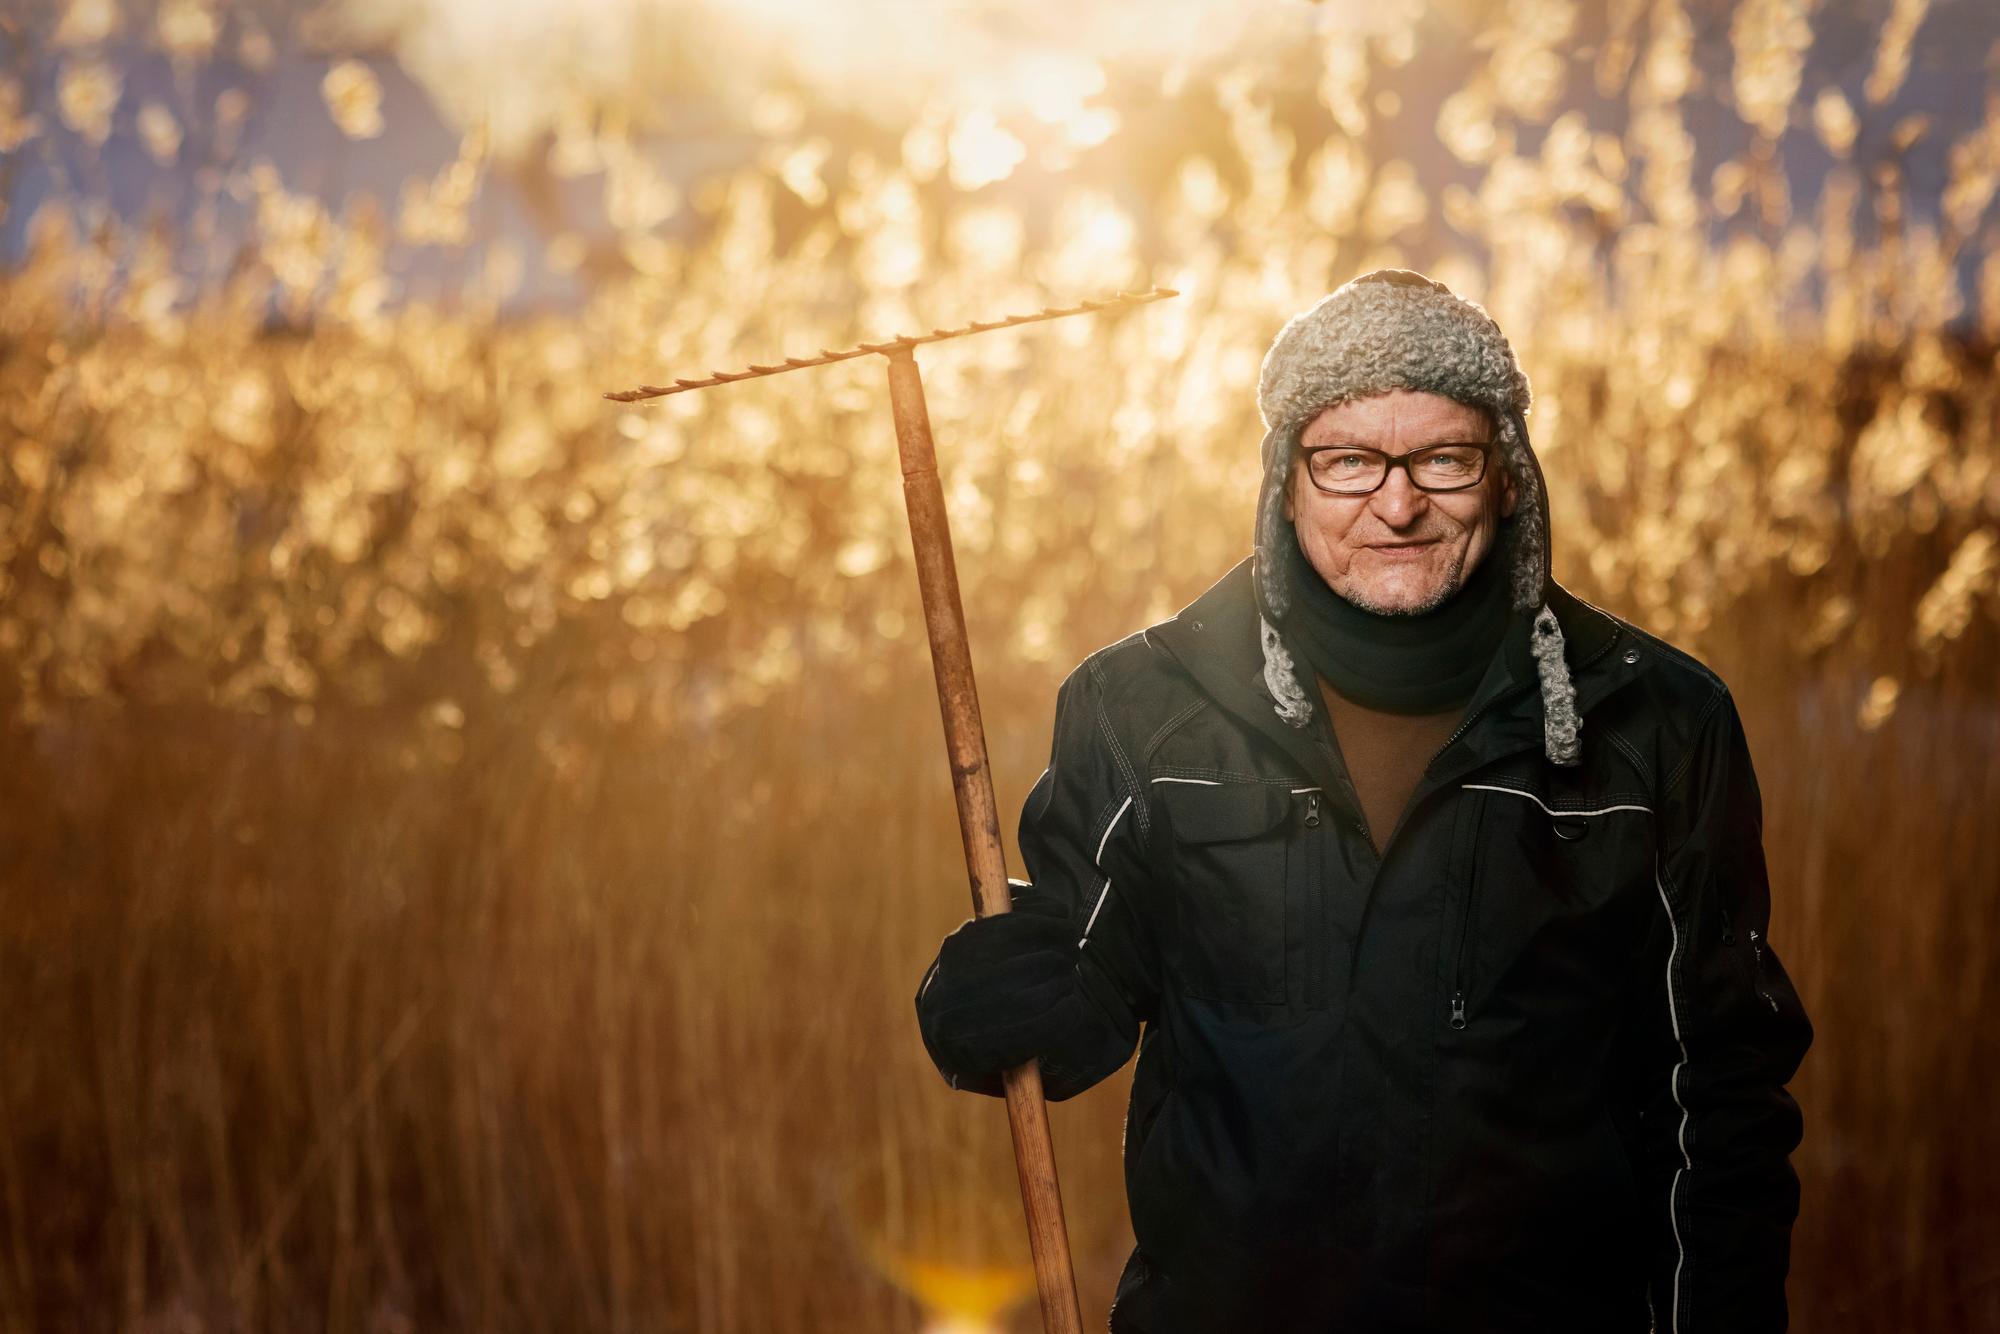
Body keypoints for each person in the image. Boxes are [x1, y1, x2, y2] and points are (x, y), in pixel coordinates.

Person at [913, 269, 1814, 1333]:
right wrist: (982, 998)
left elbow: (1720, 1096)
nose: (1396, 503)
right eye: (1345, 461)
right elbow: (1080, 1000)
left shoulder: (1652, 721)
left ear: (1509, 475)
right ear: (1281, 481)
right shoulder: (1142, 708)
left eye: (1442, 457)